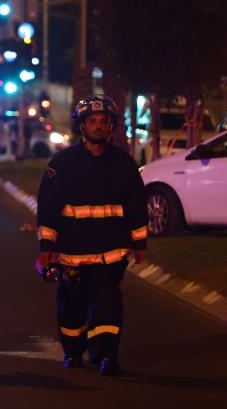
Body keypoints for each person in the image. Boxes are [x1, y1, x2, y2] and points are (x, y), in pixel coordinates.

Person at [35, 95, 148, 376]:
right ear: (82, 126)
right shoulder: (61, 163)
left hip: (111, 252)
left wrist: (139, 242)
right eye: (93, 121)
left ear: (111, 126)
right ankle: (73, 351)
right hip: (71, 252)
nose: (98, 126)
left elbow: (136, 204)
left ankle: (106, 355)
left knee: (108, 303)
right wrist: (47, 246)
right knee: (71, 305)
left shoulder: (124, 164)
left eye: (103, 121)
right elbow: (48, 207)